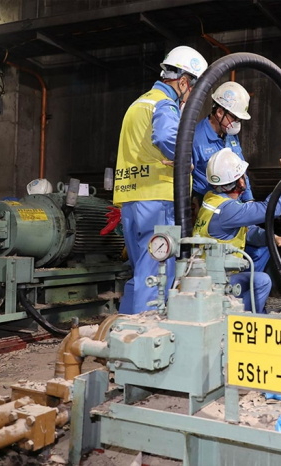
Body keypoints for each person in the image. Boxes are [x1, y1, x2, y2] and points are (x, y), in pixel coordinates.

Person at [114, 46, 208, 315]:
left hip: (132, 200)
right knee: (156, 274)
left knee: (140, 271)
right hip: (158, 201)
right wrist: (184, 160)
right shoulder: (164, 104)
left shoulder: (138, 103)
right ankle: (143, 341)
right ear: (182, 82)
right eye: (192, 89)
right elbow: (167, 137)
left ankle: (124, 331)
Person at [193, 148, 281, 313]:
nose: (246, 177)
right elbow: (270, 209)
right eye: (243, 175)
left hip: (204, 277)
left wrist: (273, 237)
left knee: (264, 248)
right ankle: (239, 319)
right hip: (216, 282)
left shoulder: (212, 198)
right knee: (262, 281)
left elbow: (245, 230)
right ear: (239, 182)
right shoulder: (227, 210)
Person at [191, 81, 270, 273]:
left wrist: (249, 198)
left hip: (238, 200)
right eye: (235, 117)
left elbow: (240, 168)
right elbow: (186, 175)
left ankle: (245, 287)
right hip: (213, 206)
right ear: (219, 112)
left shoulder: (229, 135)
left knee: (262, 247)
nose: (237, 123)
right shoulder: (196, 139)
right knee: (218, 254)